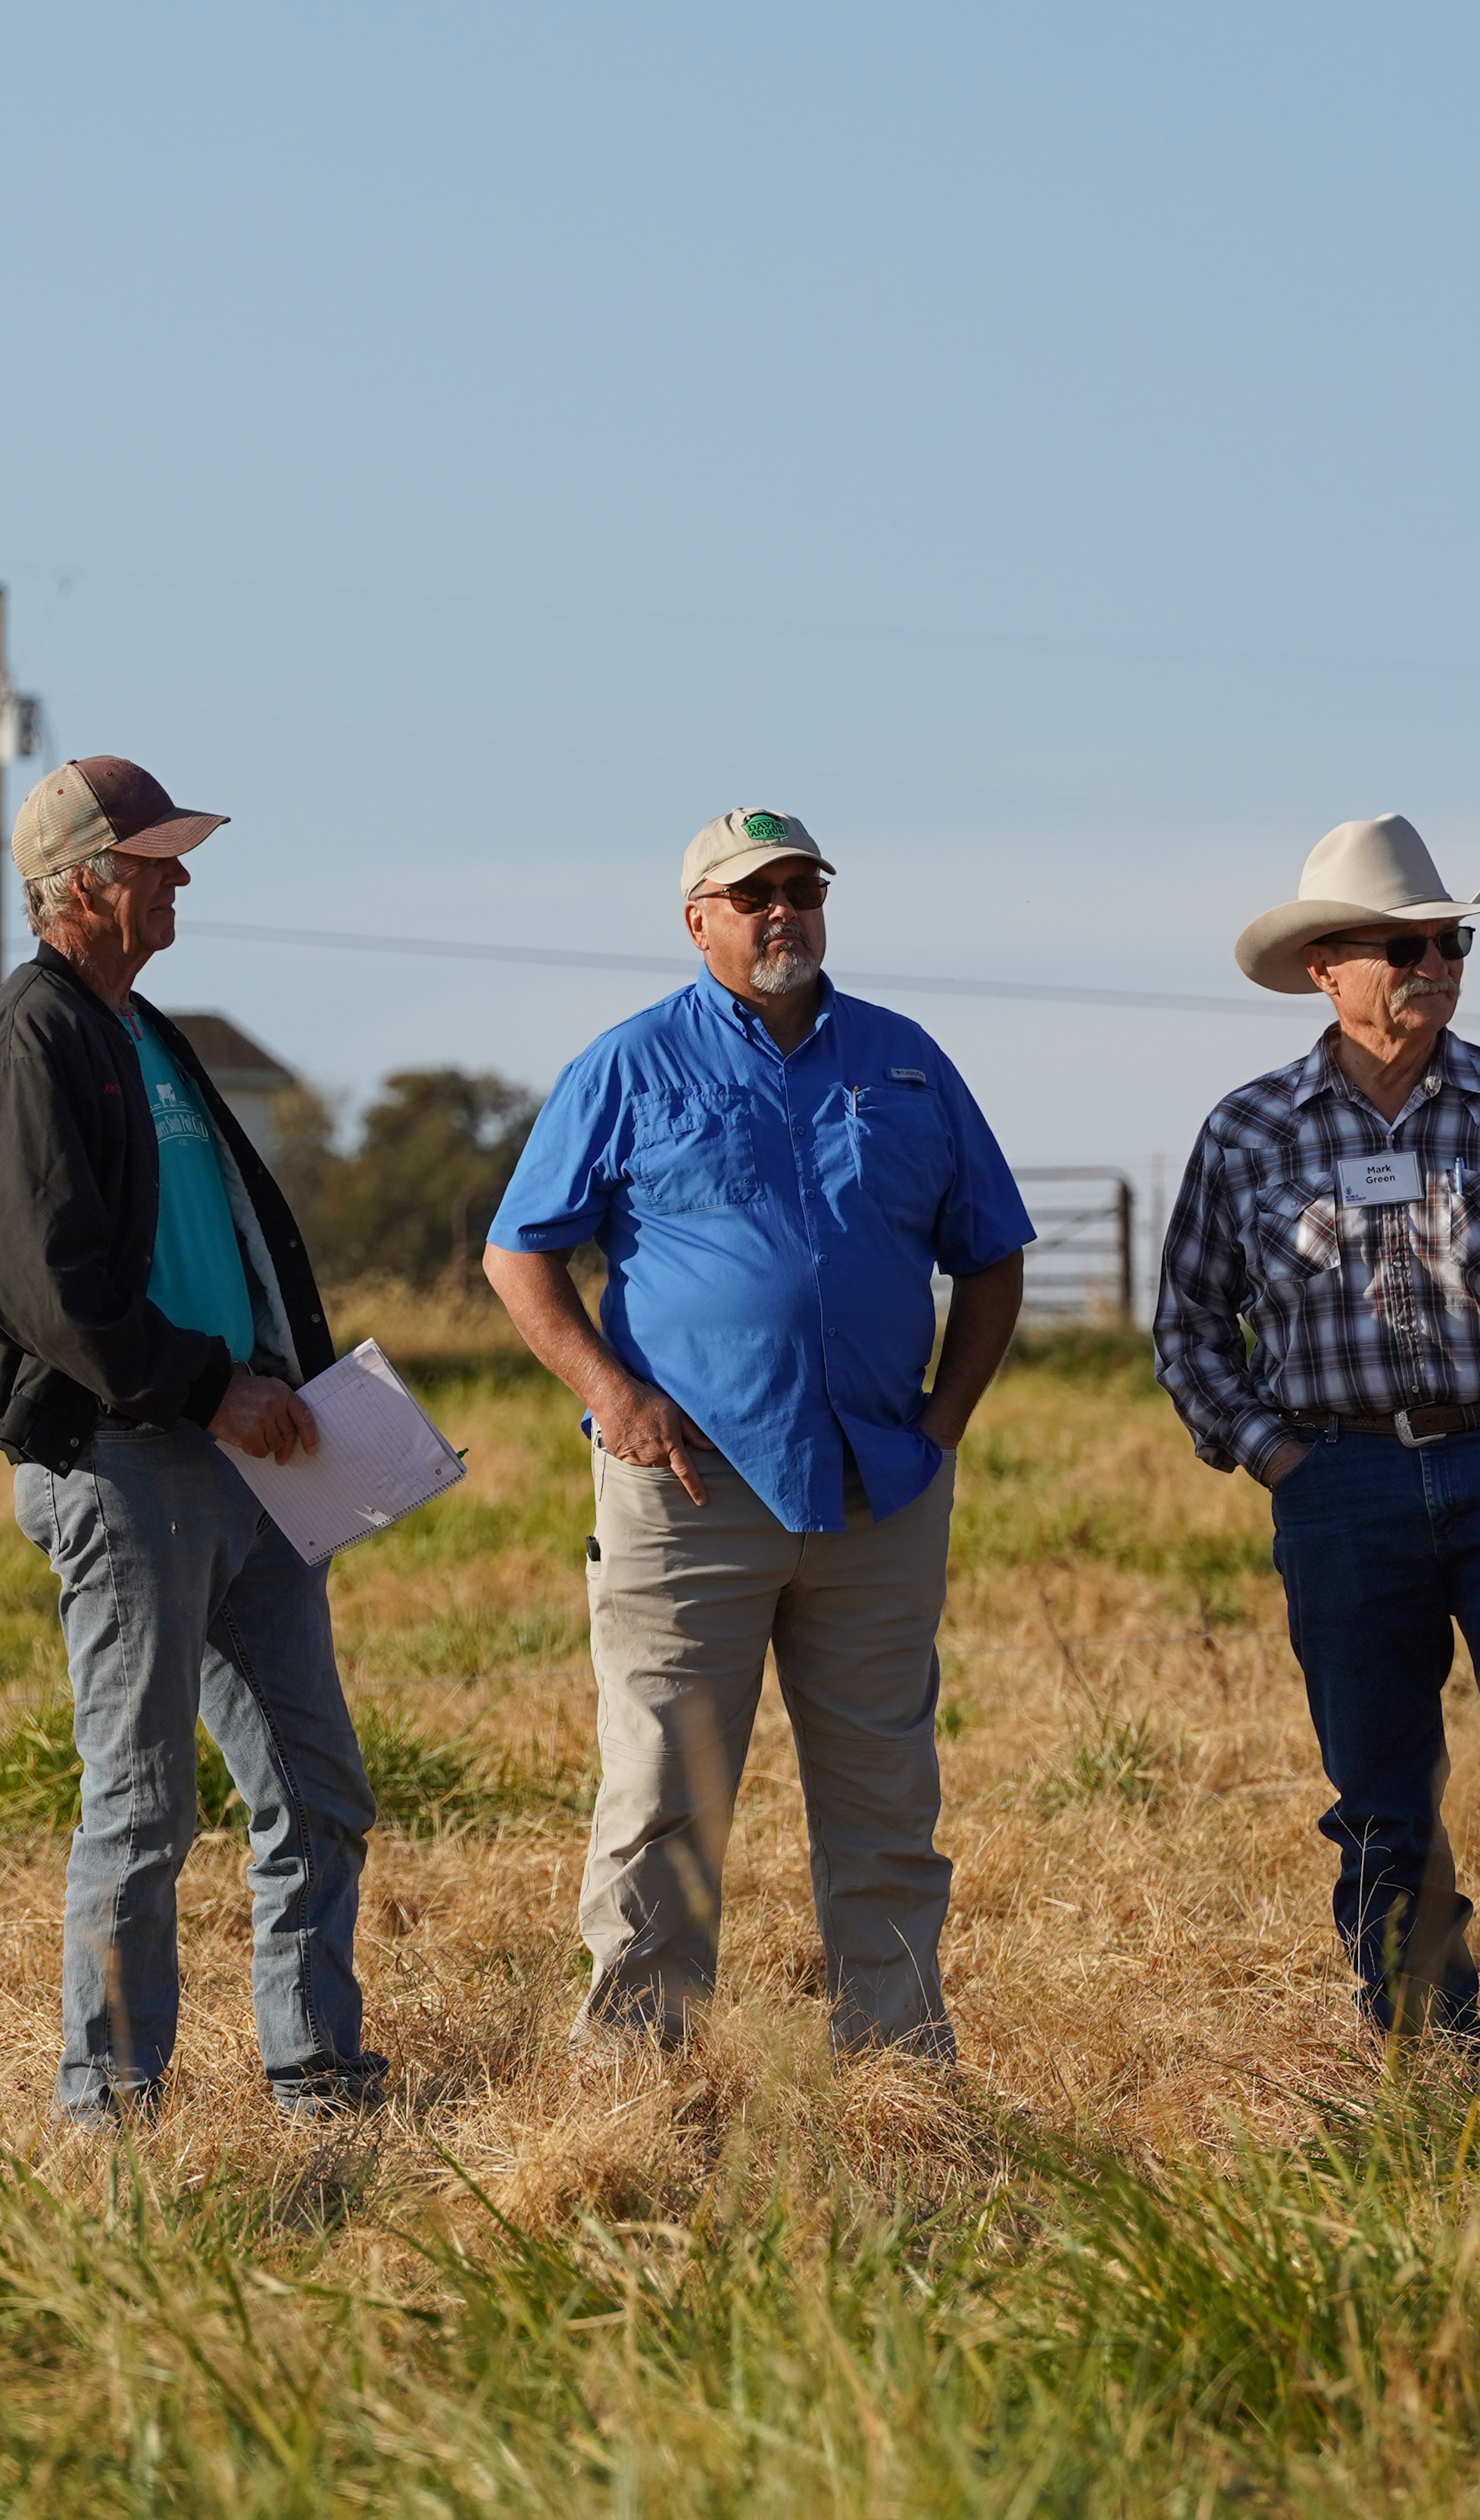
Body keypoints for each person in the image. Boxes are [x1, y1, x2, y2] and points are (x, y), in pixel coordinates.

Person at [481, 808, 1029, 2057]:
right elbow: (520, 1256)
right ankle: (640, 2077)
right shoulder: (627, 1065)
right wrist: (614, 1398)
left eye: (802, 885)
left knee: (886, 1801)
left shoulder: (904, 1062)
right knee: (666, 1796)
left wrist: (942, 1423)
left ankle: (897, 2064)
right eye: (752, 893)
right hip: (688, 1490)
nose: (782, 909)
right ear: (699, 921)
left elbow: (991, 1258)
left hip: (880, 1489)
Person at [1154, 813, 1480, 2050]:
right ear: (1324, 968)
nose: (1435, 965)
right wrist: (1275, 1453)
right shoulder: (1247, 1132)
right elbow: (1186, 1330)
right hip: (1337, 1488)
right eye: (1404, 947)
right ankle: (1429, 2081)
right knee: (1384, 1804)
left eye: (1449, 943)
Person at [0, 756, 385, 2125]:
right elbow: (43, 1280)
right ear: (82, 886)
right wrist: (203, 1389)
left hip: (239, 1455)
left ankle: (314, 2066)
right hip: (132, 1460)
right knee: (141, 1808)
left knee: (318, 1787)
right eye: (155, 860)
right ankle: (108, 2109)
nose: (181, 877)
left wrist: (279, 1381)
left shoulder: (147, 1033)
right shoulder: (36, 1041)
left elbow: (226, 1240)